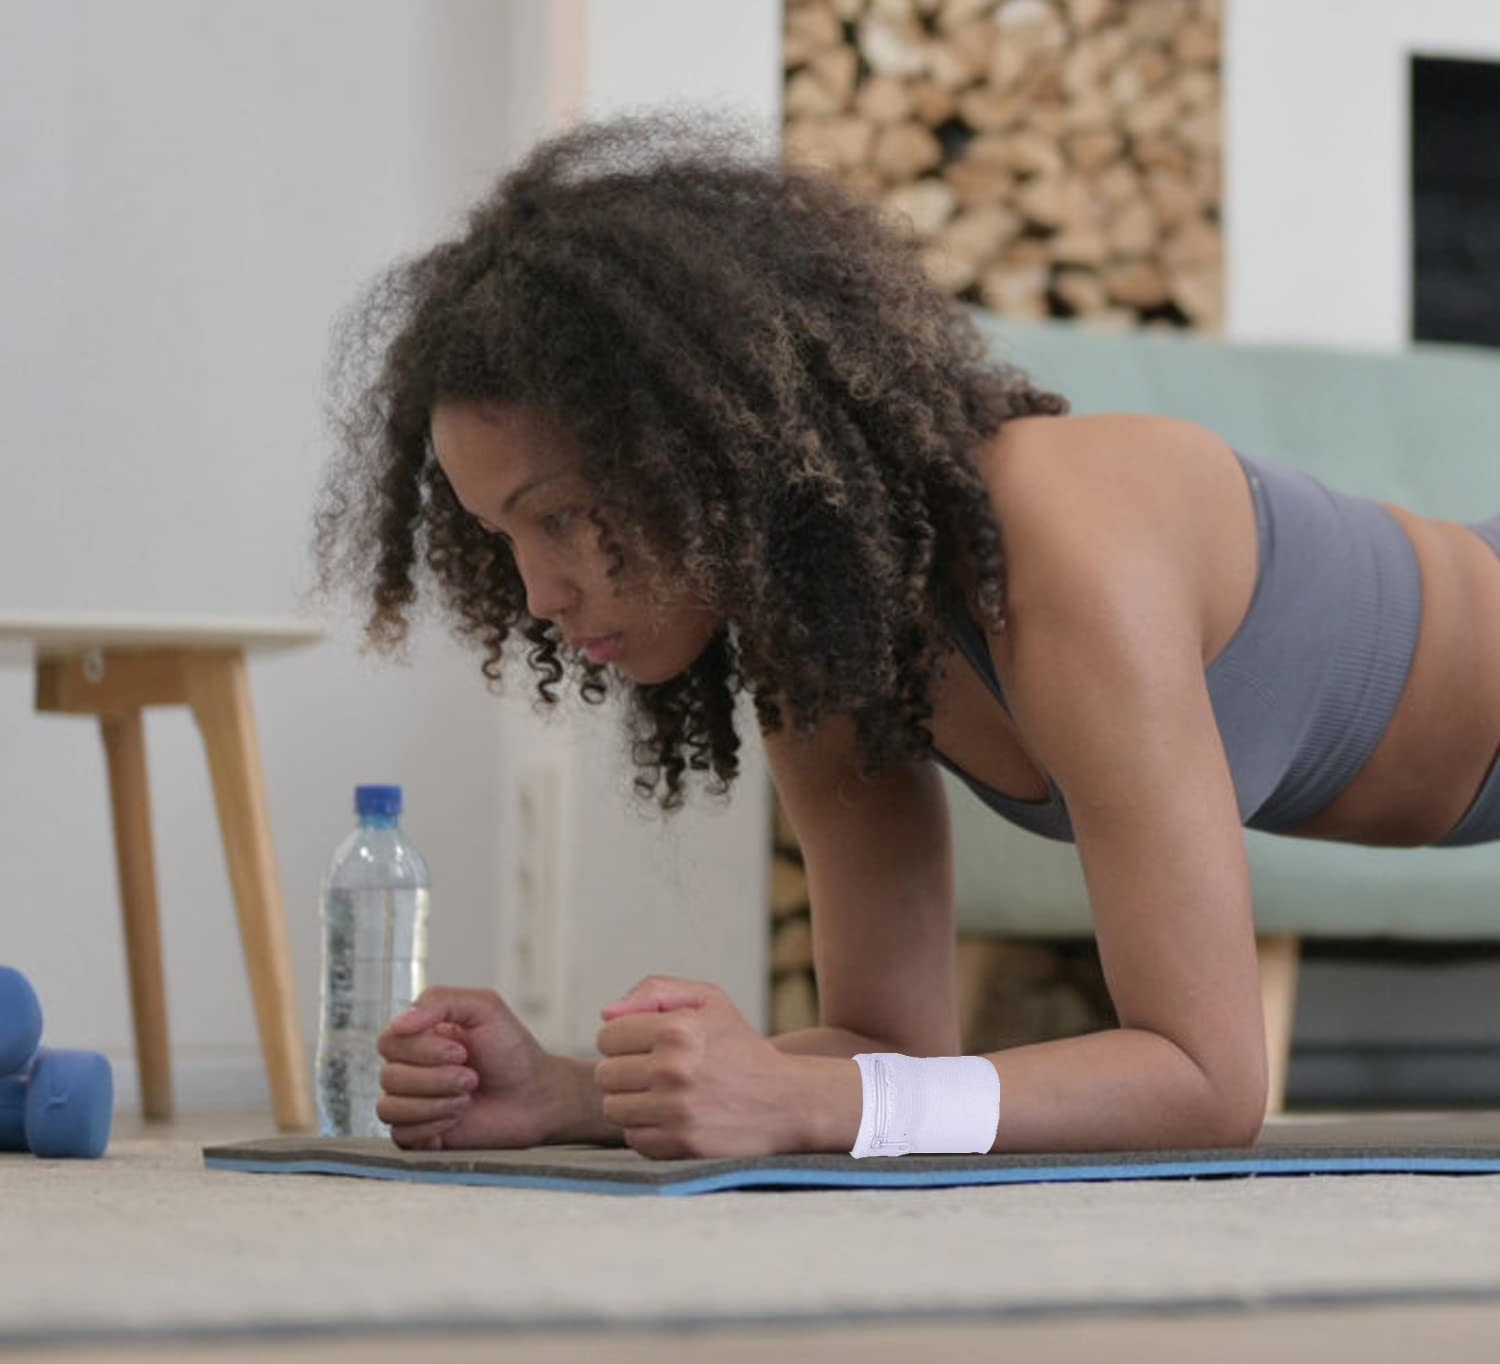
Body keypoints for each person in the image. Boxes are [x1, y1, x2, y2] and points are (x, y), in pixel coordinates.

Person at [312, 110, 1500, 1162]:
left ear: (700, 446)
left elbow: (1207, 1080)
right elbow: (887, 1045)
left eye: (561, 515)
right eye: (501, 540)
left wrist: (805, 1105)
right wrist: (573, 1093)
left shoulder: (1064, 539)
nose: (538, 593)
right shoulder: (817, 638)